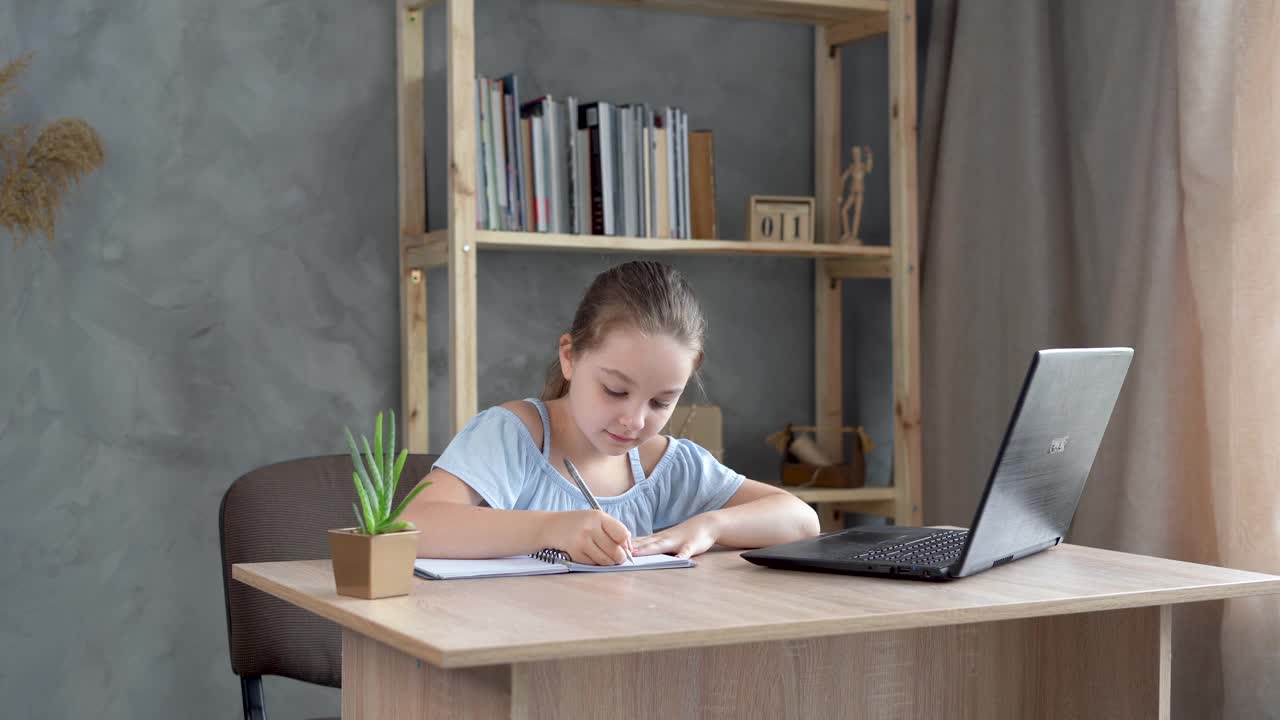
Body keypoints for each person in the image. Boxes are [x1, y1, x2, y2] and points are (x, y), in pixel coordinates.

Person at [402, 260, 820, 565]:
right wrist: (550, 529)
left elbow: (801, 521)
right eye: (615, 390)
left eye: (661, 402)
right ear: (569, 357)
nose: (635, 421)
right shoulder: (513, 436)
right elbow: (410, 527)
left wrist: (712, 526)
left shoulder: (667, 466)